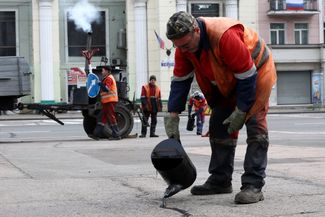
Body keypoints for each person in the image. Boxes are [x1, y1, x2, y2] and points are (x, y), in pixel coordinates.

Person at [164, 11, 277, 204]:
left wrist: (241, 111)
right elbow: (180, 81)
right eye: (178, 46)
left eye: (185, 44)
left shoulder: (225, 36)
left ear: (196, 31)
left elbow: (246, 75)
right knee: (218, 124)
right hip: (228, 81)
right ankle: (220, 180)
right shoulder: (183, 48)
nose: (183, 50)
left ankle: (253, 185)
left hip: (256, 75)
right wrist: (172, 114)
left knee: (256, 127)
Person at [93, 65, 121, 140]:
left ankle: (117, 135)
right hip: (107, 101)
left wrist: (100, 84)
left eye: (103, 70)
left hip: (110, 100)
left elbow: (106, 89)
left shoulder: (109, 78)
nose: (102, 72)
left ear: (107, 71)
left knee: (111, 117)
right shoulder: (106, 78)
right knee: (103, 117)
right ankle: (96, 134)